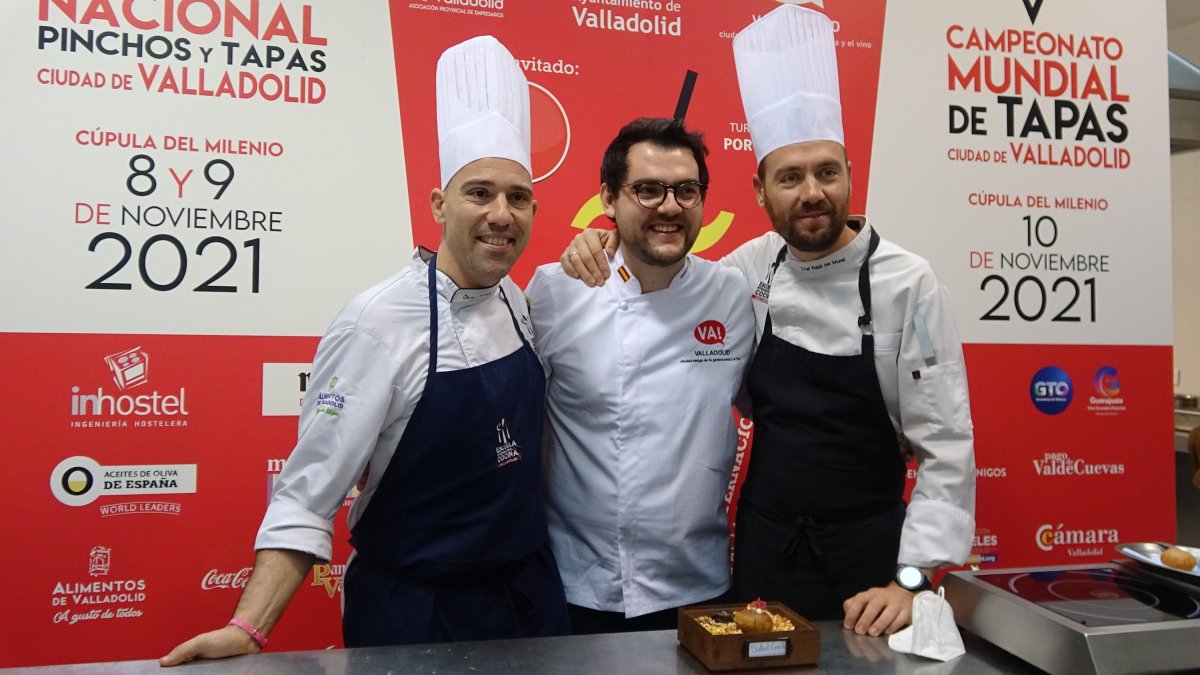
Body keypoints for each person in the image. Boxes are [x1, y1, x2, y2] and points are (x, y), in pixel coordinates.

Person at [560, 5, 976, 638]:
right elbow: (663, 270)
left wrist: (912, 580)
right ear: (760, 190)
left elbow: (946, 444)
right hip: (763, 551)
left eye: (826, 172)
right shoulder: (746, 270)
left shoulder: (908, 283)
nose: (811, 193)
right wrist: (602, 241)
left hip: (872, 563)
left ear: (849, 175)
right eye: (790, 177)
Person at [160, 36, 568, 665]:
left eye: (518, 197)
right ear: (439, 205)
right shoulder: (375, 325)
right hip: (419, 613)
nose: (500, 213)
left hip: (527, 599)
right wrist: (249, 628)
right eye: (479, 192)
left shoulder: (517, 299)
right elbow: (306, 492)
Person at [525, 118, 755, 634]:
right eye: (648, 189)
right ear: (609, 198)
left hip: (697, 583)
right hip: (576, 582)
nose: (669, 207)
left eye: (686, 190)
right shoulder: (556, 291)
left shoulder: (733, 294)